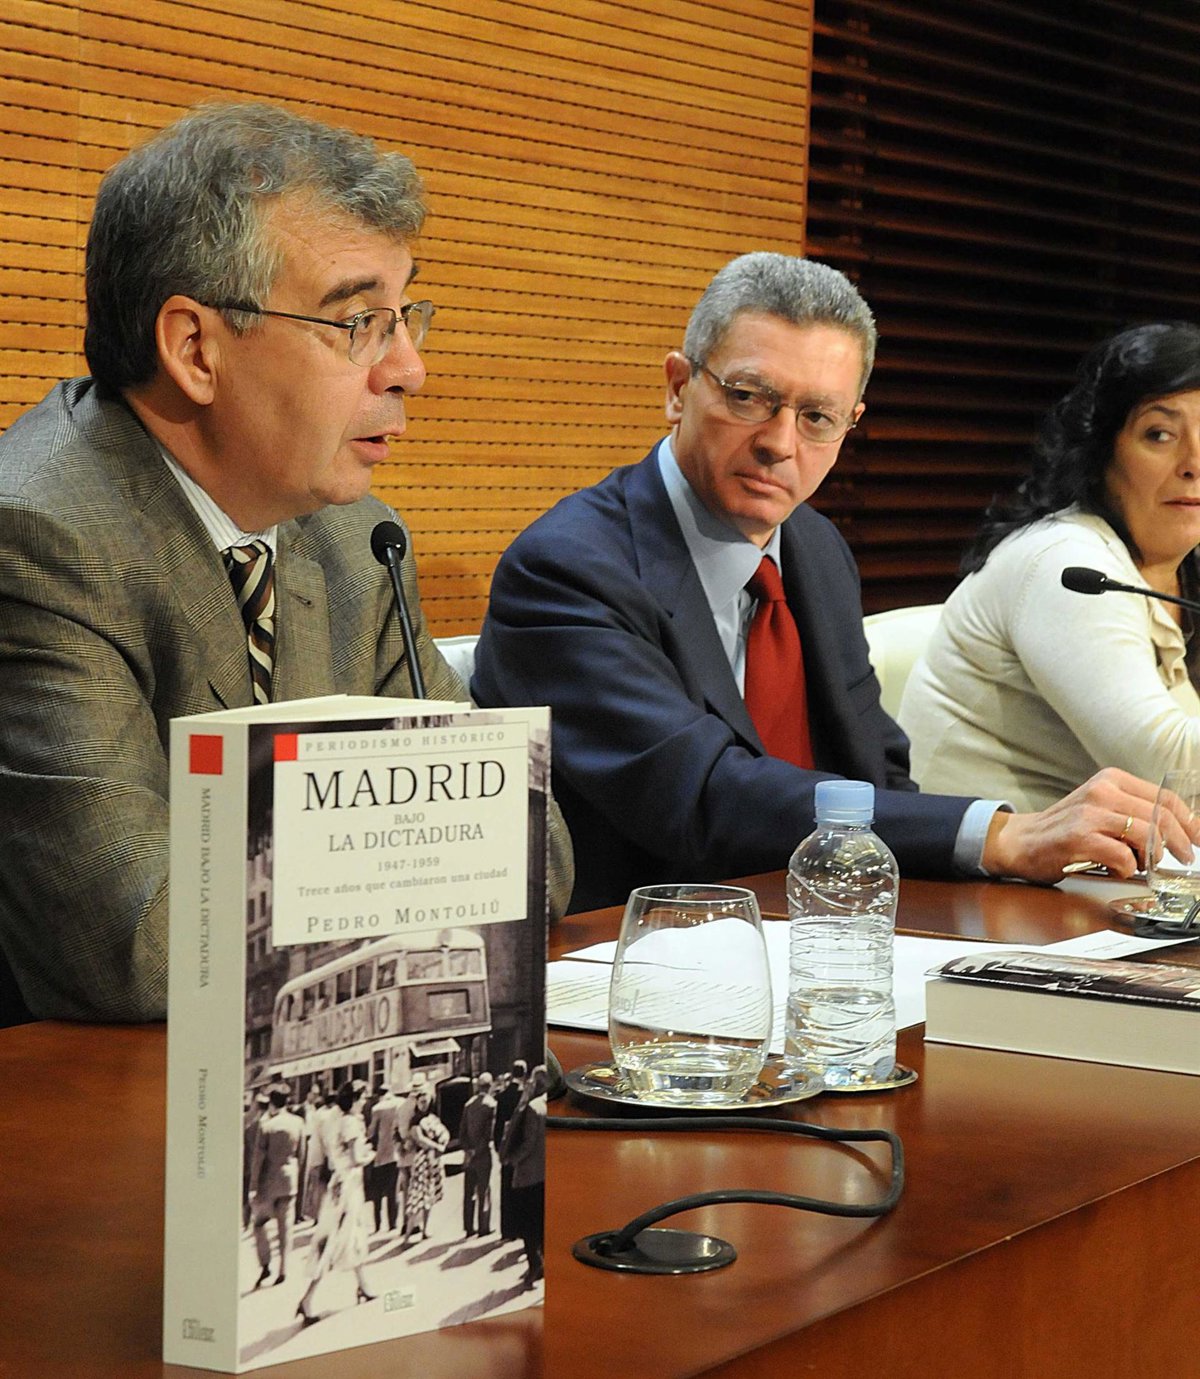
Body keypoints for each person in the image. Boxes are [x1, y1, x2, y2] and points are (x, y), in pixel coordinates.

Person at [0, 101, 573, 1024]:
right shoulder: (37, 542)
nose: (409, 368)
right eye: (358, 322)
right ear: (195, 349)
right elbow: (137, 946)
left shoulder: (357, 539)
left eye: (405, 316)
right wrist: (417, 860)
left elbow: (533, 849)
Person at [472, 253, 1200, 912]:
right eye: (748, 397)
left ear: (850, 424)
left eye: (816, 417)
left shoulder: (815, 549)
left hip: (823, 931)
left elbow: (878, 771)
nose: (779, 443)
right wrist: (998, 835)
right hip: (632, 951)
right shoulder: (567, 568)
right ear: (677, 387)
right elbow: (702, 797)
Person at [900, 323, 1200, 810]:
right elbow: (1171, 771)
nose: (1193, 463)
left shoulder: (1181, 569)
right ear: (1102, 453)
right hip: (983, 853)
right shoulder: (1068, 565)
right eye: (1160, 434)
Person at [298, 1079, 375, 1324]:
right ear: (354, 1099)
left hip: (339, 1182)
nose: (365, 1101)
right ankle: (307, 1299)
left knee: (352, 1235)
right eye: (363, 1097)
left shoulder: (335, 1119)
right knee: (336, 1239)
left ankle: (363, 1285)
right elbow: (356, 1158)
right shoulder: (350, 1122)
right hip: (349, 1185)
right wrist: (369, 1155)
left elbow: (335, 1156)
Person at [249, 1081, 305, 1288]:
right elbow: (302, 1154)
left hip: (268, 1182)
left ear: (271, 1103)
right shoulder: (298, 1122)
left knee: (259, 1223)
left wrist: (253, 1187)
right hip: (289, 1180)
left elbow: (258, 1160)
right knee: (285, 1226)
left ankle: (265, 1264)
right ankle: (284, 1268)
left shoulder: (266, 1126)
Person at [500, 1064, 546, 1289]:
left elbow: (528, 1143)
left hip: (528, 1174)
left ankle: (534, 1266)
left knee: (529, 1226)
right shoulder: (548, 1105)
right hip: (545, 1173)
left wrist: (512, 1159)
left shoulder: (533, 1108)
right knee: (541, 1221)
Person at [403, 1088, 449, 1244]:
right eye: (421, 1101)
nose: (424, 1104)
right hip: (421, 1161)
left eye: (426, 1101)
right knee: (416, 1197)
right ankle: (407, 1235)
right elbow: (419, 1139)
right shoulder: (415, 1120)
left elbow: (444, 1133)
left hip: (433, 1160)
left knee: (429, 1195)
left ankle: (425, 1229)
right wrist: (437, 1146)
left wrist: (442, 1142)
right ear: (416, 1102)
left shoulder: (433, 1118)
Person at [458, 1071, 497, 1238]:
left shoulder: (468, 1104)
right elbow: (489, 1133)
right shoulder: (491, 1104)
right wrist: (478, 1150)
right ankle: (483, 1226)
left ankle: (468, 1227)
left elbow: (462, 1132)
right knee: (484, 1190)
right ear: (490, 1086)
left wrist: (468, 1150)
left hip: (469, 1155)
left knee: (469, 1192)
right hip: (483, 1154)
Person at [365, 1077, 406, 1235]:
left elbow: (371, 1133)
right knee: (393, 1191)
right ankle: (392, 1224)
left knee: (377, 1192)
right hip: (396, 1152)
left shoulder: (377, 1108)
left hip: (381, 1155)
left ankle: (377, 1225)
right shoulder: (400, 1103)